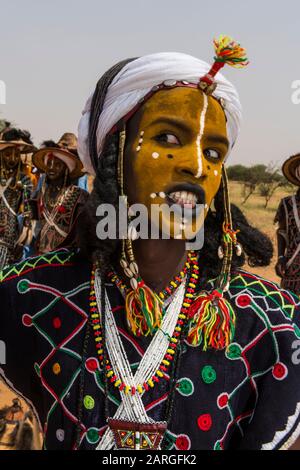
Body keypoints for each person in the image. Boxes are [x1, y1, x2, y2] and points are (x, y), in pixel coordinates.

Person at [0, 37, 299, 451]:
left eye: (213, 152)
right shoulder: (28, 296)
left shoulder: (267, 322)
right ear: (112, 154)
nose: (197, 165)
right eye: (169, 139)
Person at [29, 133, 89, 254]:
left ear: (66, 168)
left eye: (57, 165)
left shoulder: (79, 196)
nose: (51, 168)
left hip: (66, 258)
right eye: (49, 164)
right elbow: (35, 223)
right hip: (40, 257)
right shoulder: (39, 194)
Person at [0, 128, 36, 268]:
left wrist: (21, 241)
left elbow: (28, 212)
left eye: (16, 155)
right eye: (8, 154)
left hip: (10, 240)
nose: (13, 159)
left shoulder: (24, 180)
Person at [275, 154, 300, 294]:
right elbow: (282, 231)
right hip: (291, 269)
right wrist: (280, 258)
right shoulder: (287, 204)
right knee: (291, 311)